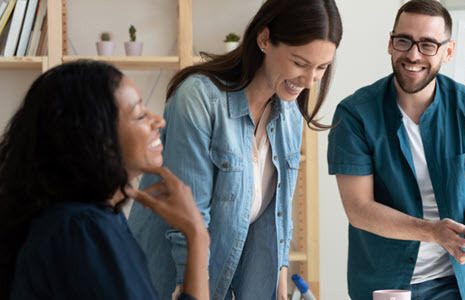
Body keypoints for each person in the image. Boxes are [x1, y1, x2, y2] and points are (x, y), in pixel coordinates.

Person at [126, 0, 342, 299]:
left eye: (321, 67)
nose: (308, 81)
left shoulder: (289, 114)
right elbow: (189, 222)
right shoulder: (200, 99)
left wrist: (282, 292)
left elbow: (279, 220)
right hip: (168, 282)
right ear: (264, 39)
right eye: (299, 63)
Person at [327, 0, 465, 299]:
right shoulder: (354, 114)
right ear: (390, 43)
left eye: (428, 45)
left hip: (458, 282)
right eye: (404, 41)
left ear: (448, 51)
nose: (413, 54)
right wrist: (432, 232)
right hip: (383, 284)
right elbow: (359, 209)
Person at [0, 60, 209, 300]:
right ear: (98, 139)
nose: (158, 121)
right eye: (140, 115)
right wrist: (197, 234)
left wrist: (196, 235)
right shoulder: (83, 229)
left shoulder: (95, 218)